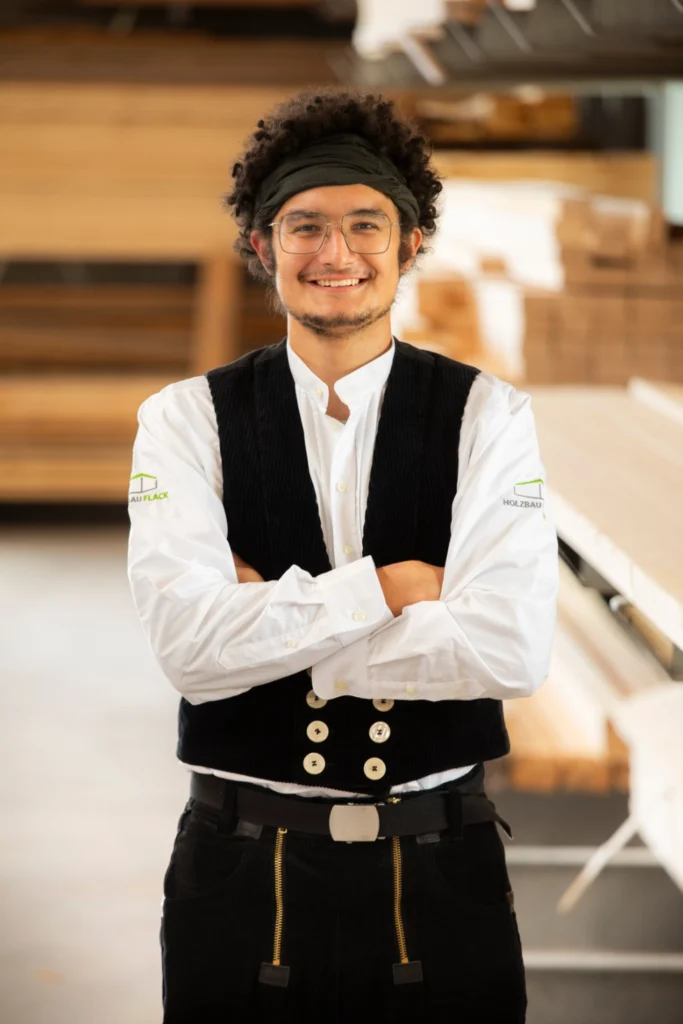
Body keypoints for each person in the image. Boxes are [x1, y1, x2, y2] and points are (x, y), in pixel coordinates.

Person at [127, 88, 559, 1023]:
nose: (336, 253)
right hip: (242, 872)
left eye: (367, 224)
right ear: (261, 245)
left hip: (440, 871)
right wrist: (392, 589)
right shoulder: (184, 420)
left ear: (410, 244)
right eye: (304, 226)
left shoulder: (489, 417)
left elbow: (509, 650)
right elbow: (188, 651)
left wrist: (264, 632)